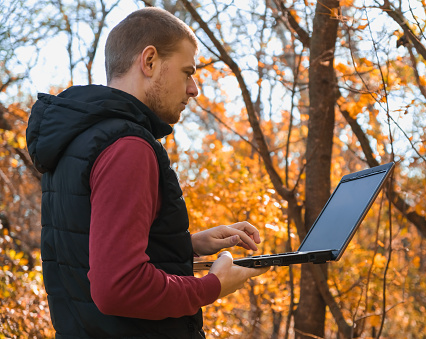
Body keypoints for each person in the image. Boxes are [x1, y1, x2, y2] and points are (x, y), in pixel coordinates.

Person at [26, 7, 268, 339]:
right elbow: (118, 288)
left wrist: (187, 246)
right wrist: (213, 286)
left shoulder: (78, 140)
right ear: (149, 61)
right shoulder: (128, 147)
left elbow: (87, 254)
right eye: (187, 72)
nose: (194, 89)